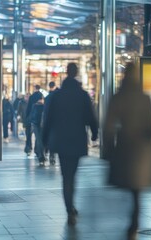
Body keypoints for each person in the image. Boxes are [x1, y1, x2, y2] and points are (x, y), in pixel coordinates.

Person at [103, 63, 151, 240]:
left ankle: (133, 222)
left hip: (125, 145)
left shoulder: (118, 97)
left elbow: (109, 126)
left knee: (129, 183)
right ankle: (134, 222)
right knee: (137, 188)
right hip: (141, 148)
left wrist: (109, 148)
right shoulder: (145, 98)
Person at [42, 63, 98, 226]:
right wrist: (94, 133)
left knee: (65, 176)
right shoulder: (82, 95)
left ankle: (69, 208)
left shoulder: (57, 96)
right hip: (76, 139)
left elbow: (48, 119)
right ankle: (70, 207)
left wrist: (45, 140)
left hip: (60, 140)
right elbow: (90, 117)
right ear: (77, 73)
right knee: (72, 175)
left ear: (66, 73)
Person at [44, 81, 59, 165]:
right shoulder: (58, 96)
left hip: (48, 121)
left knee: (49, 138)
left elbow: (46, 110)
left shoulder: (47, 97)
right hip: (56, 122)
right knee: (53, 138)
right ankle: (52, 156)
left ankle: (47, 153)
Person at [25, 85, 43, 156]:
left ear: (35, 88)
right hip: (38, 119)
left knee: (29, 135)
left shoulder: (32, 97)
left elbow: (28, 108)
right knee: (37, 136)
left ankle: (29, 148)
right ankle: (36, 150)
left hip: (31, 118)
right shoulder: (41, 96)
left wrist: (27, 117)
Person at [31, 95, 46, 165]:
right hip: (40, 126)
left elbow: (31, 115)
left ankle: (38, 153)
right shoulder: (44, 106)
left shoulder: (34, 106)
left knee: (38, 140)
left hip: (35, 125)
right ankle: (41, 157)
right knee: (40, 140)